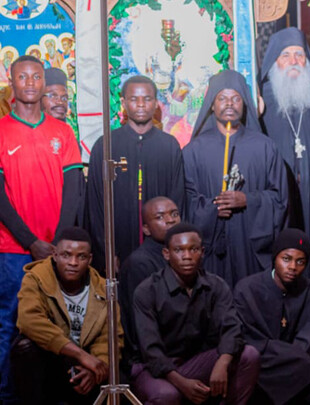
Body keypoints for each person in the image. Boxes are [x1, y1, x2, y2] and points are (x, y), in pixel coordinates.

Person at [0, 55, 83, 402]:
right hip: (13, 251)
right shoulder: (2, 129)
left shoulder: (62, 132)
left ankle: (59, 397)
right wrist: (31, 241)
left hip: (57, 251)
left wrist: (59, 243)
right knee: (9, 325)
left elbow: (74, 188)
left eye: (36, 77)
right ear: (12, 81)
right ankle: (6, 396)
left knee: (62, 326)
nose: (30, 83)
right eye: (23, 77)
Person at [131, 223, 260, 404]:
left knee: (249, 355)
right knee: (167, 394)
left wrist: (222, 363)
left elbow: (232, 329)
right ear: (166, 254)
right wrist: (182, 383)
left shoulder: (215, 285)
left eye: (193, 249)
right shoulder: (147, 291)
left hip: (194, 362)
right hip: (156, 369)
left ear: (202, 252)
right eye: (179, 250)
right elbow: (151, 350)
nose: (187, 256)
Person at [183, 69, 288, 287]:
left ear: (245, 104)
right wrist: (212, 209)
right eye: (222, 98)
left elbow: (280, 199)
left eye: (236, 98)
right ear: (212, 105)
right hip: (210, 250)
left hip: (250, 246)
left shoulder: (265, 147)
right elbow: (185, 200)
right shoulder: (194, 150)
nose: (229, 104)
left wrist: (248, 200)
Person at [259, 27, 310, 284]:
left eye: (299, 54)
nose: (294, 61)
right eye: (285, 55)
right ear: (274, 61)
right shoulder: (262, 102)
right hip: (281, 201)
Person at [87, 75, 184, 271]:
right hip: (117, 244)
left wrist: (172, 247)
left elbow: (178, 198)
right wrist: (106, 252)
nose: (141, 104)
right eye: (134, 99)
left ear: (156, 103)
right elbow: (95, 204)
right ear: (123, 103)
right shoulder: (106, 145)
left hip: (160, 250)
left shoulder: (169, 146)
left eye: (147, 99)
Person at [12, 227, 114, 404]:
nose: (73, 262)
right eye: (66, 255)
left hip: (84, 366)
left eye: (81, 257)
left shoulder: (103, 288)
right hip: (52, 360)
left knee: (117, 376)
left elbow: (110, 337)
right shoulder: (35, 279)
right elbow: (30, 321)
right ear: (55, 255)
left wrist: (96, 368)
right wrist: (80, 355)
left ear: (90, 259)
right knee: (25, 348)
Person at [233, 228, 310, 404]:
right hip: (265, 363)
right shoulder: (247, 290)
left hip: (299, 363)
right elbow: (249, 340)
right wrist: (290, 357)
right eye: (286, 259)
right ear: (275, 258)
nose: (293, 267)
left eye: (300, 261)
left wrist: (292, 358)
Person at [118, 196, 180, 373]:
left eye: (174, 214)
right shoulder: (140, 263)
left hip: (182, 348)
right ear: (146, 229)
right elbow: (141, 323)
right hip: (151, 357)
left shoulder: (184, 256)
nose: (170, 220)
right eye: (160, 217)